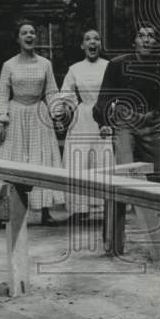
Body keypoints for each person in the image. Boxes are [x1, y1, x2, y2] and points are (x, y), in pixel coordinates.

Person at [93, 22, 160, 234]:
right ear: (133, 41)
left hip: (151, 122)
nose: (146, 39)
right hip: (124, 121)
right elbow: (105, 95)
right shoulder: (118, 64)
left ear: (155, 41)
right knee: (122, 173)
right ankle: (112, 230)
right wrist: (103, 122)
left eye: (151, 36)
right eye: (141, 35)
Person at [0, 20, 65, 226]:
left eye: (32, 32)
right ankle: (5, 212)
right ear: (18, 38)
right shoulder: (9, 65)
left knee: (41, 160)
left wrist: (57, 114)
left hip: (38, 115)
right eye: (24, 33)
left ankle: (45, 211)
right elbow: (2, 95)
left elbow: (51, 91)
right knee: (12, 160)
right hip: (15, 115)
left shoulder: (45, 64)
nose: (29, 36)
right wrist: (0, 121)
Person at [59, 30, 114, 221]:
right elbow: (66, 93)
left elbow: (116, 92)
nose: (93, 42)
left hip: (104, 117)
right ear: (82, 45)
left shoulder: (109, 66)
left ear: (100, 44)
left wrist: (110, 113)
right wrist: (67, 108)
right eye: (88, 39)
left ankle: (108, 205)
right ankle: (79, 207)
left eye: (96, 39)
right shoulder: (75, 69)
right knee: (78, 159)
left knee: (104, 159)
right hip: (82, 118)